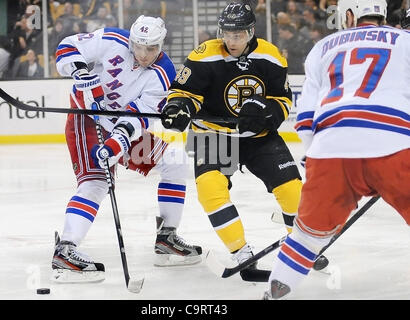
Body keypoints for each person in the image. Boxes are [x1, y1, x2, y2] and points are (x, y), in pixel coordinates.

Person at [161, 2, 325, 282]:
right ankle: (241, 252)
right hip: (212, 133)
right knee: (210, 190)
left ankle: (302, 245)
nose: (230, 40)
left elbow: (282, 99)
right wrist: (179, 107)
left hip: (257, 137)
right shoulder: (204, 54)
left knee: (292, 189)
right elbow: (183, 91)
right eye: (226, 33)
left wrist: (267, 114)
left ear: (250, 31)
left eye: (237, 34)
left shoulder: (271, 56)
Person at [263, 0, 410, 300]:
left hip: (331, 149)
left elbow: (305, 119)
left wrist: (315, 160)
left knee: (305, 238)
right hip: (393, 144)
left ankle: (273, 294)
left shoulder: (323, 46)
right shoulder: (405, 41)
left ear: (350, 14)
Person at [52, 15, 202, 283]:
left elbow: (138, 116)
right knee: (96, 182)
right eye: (139, 47)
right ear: (131, 40)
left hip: (122, 127)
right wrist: (81, 72)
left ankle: (166, 236)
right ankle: (66, 248)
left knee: (174, 160)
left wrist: (115, 143)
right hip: (85, 118)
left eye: (152, 49)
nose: (144, 55)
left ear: (161, 45)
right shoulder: (111, 39)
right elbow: (66, 47)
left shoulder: (165, 73)